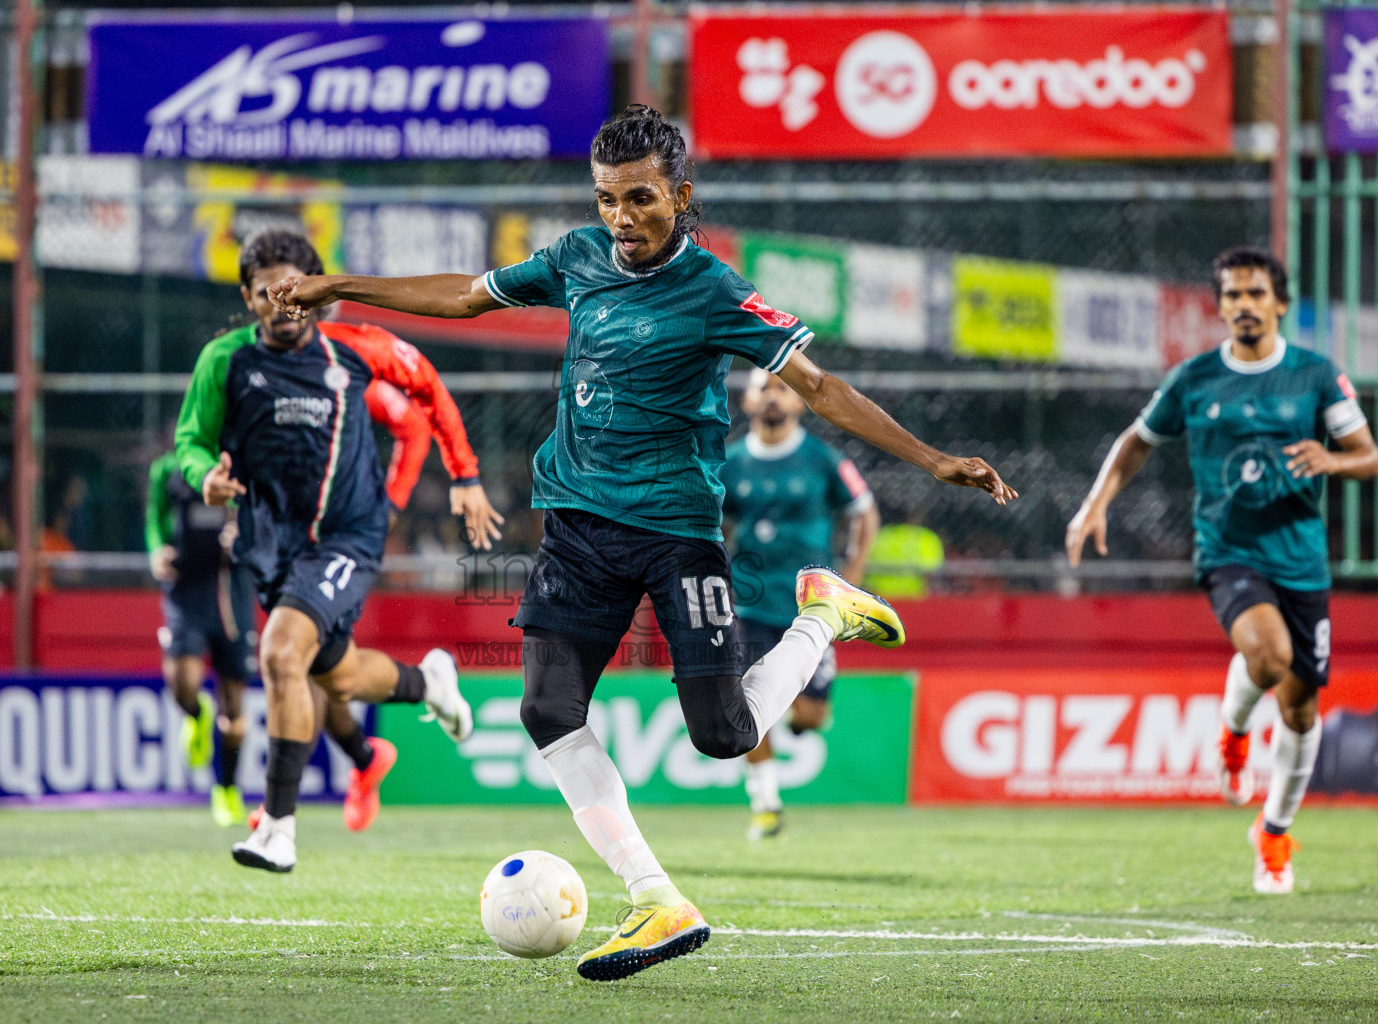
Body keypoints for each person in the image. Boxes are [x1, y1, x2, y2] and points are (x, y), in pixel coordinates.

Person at [268, 105, 1015, 979]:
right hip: (578, 527)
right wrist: (341, 284)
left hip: (675, 533)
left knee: (726, 735)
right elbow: (468, 295)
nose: (620, 219)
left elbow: (817, 384)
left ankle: (823, 615)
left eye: (640, 200)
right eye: (606, 200)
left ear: (681, 196)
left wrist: (931, 461)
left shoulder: (717, 291)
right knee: (548, 711)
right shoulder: (577, 258)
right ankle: (656, 897)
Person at [177, 227, 505, 873]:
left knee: (280, 653)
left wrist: (463, 476)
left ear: (318, 294)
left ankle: (277, 825)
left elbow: (428, 392)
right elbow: (191, 441)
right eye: (269, 291)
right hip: (270, 545)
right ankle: (429, 684)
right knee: (340, 675)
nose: (284, 302)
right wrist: (204, 477)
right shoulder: (226, 362)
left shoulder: (357, 352)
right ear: (249, 297)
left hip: (347, 537)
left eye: (296, 289)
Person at [1067, 246, 1378, 895]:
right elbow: (1136, 442)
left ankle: (1272, 833)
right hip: (1229, 553)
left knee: (1299, 710)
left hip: (1302, 562)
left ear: (1280, 303)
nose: (1243, 305)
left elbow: (1367, 455)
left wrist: (1331, 459)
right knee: (1267, 658)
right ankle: (1234, 733)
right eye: (1232, 295)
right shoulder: (1195, 378)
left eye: (1255, 294)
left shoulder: (1316, 375)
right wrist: (1095, 503)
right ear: (1222, 305)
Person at [720, 369, 879, 840]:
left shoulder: (822, 459)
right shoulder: (729, 463)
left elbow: (865, 513)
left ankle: (799, 716)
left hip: (813, 607)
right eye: (762, 388)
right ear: (746, 402)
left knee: (810, 715)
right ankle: (765, 803)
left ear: (800, 403)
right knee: (747, 705)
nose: (773, 396)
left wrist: (851, 580)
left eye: (783, 388)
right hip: (748, 603)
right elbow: (712, 522)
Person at [145, 446, 257, 826]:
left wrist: (247, 534)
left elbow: (269, 516)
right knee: (183, 684)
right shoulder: (168, 470)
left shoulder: (246, 464)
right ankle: (196, 713)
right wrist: (157, 549)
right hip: (186, 591)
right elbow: (155, 519)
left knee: (235, 709)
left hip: (231, 592)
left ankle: (226, 789)